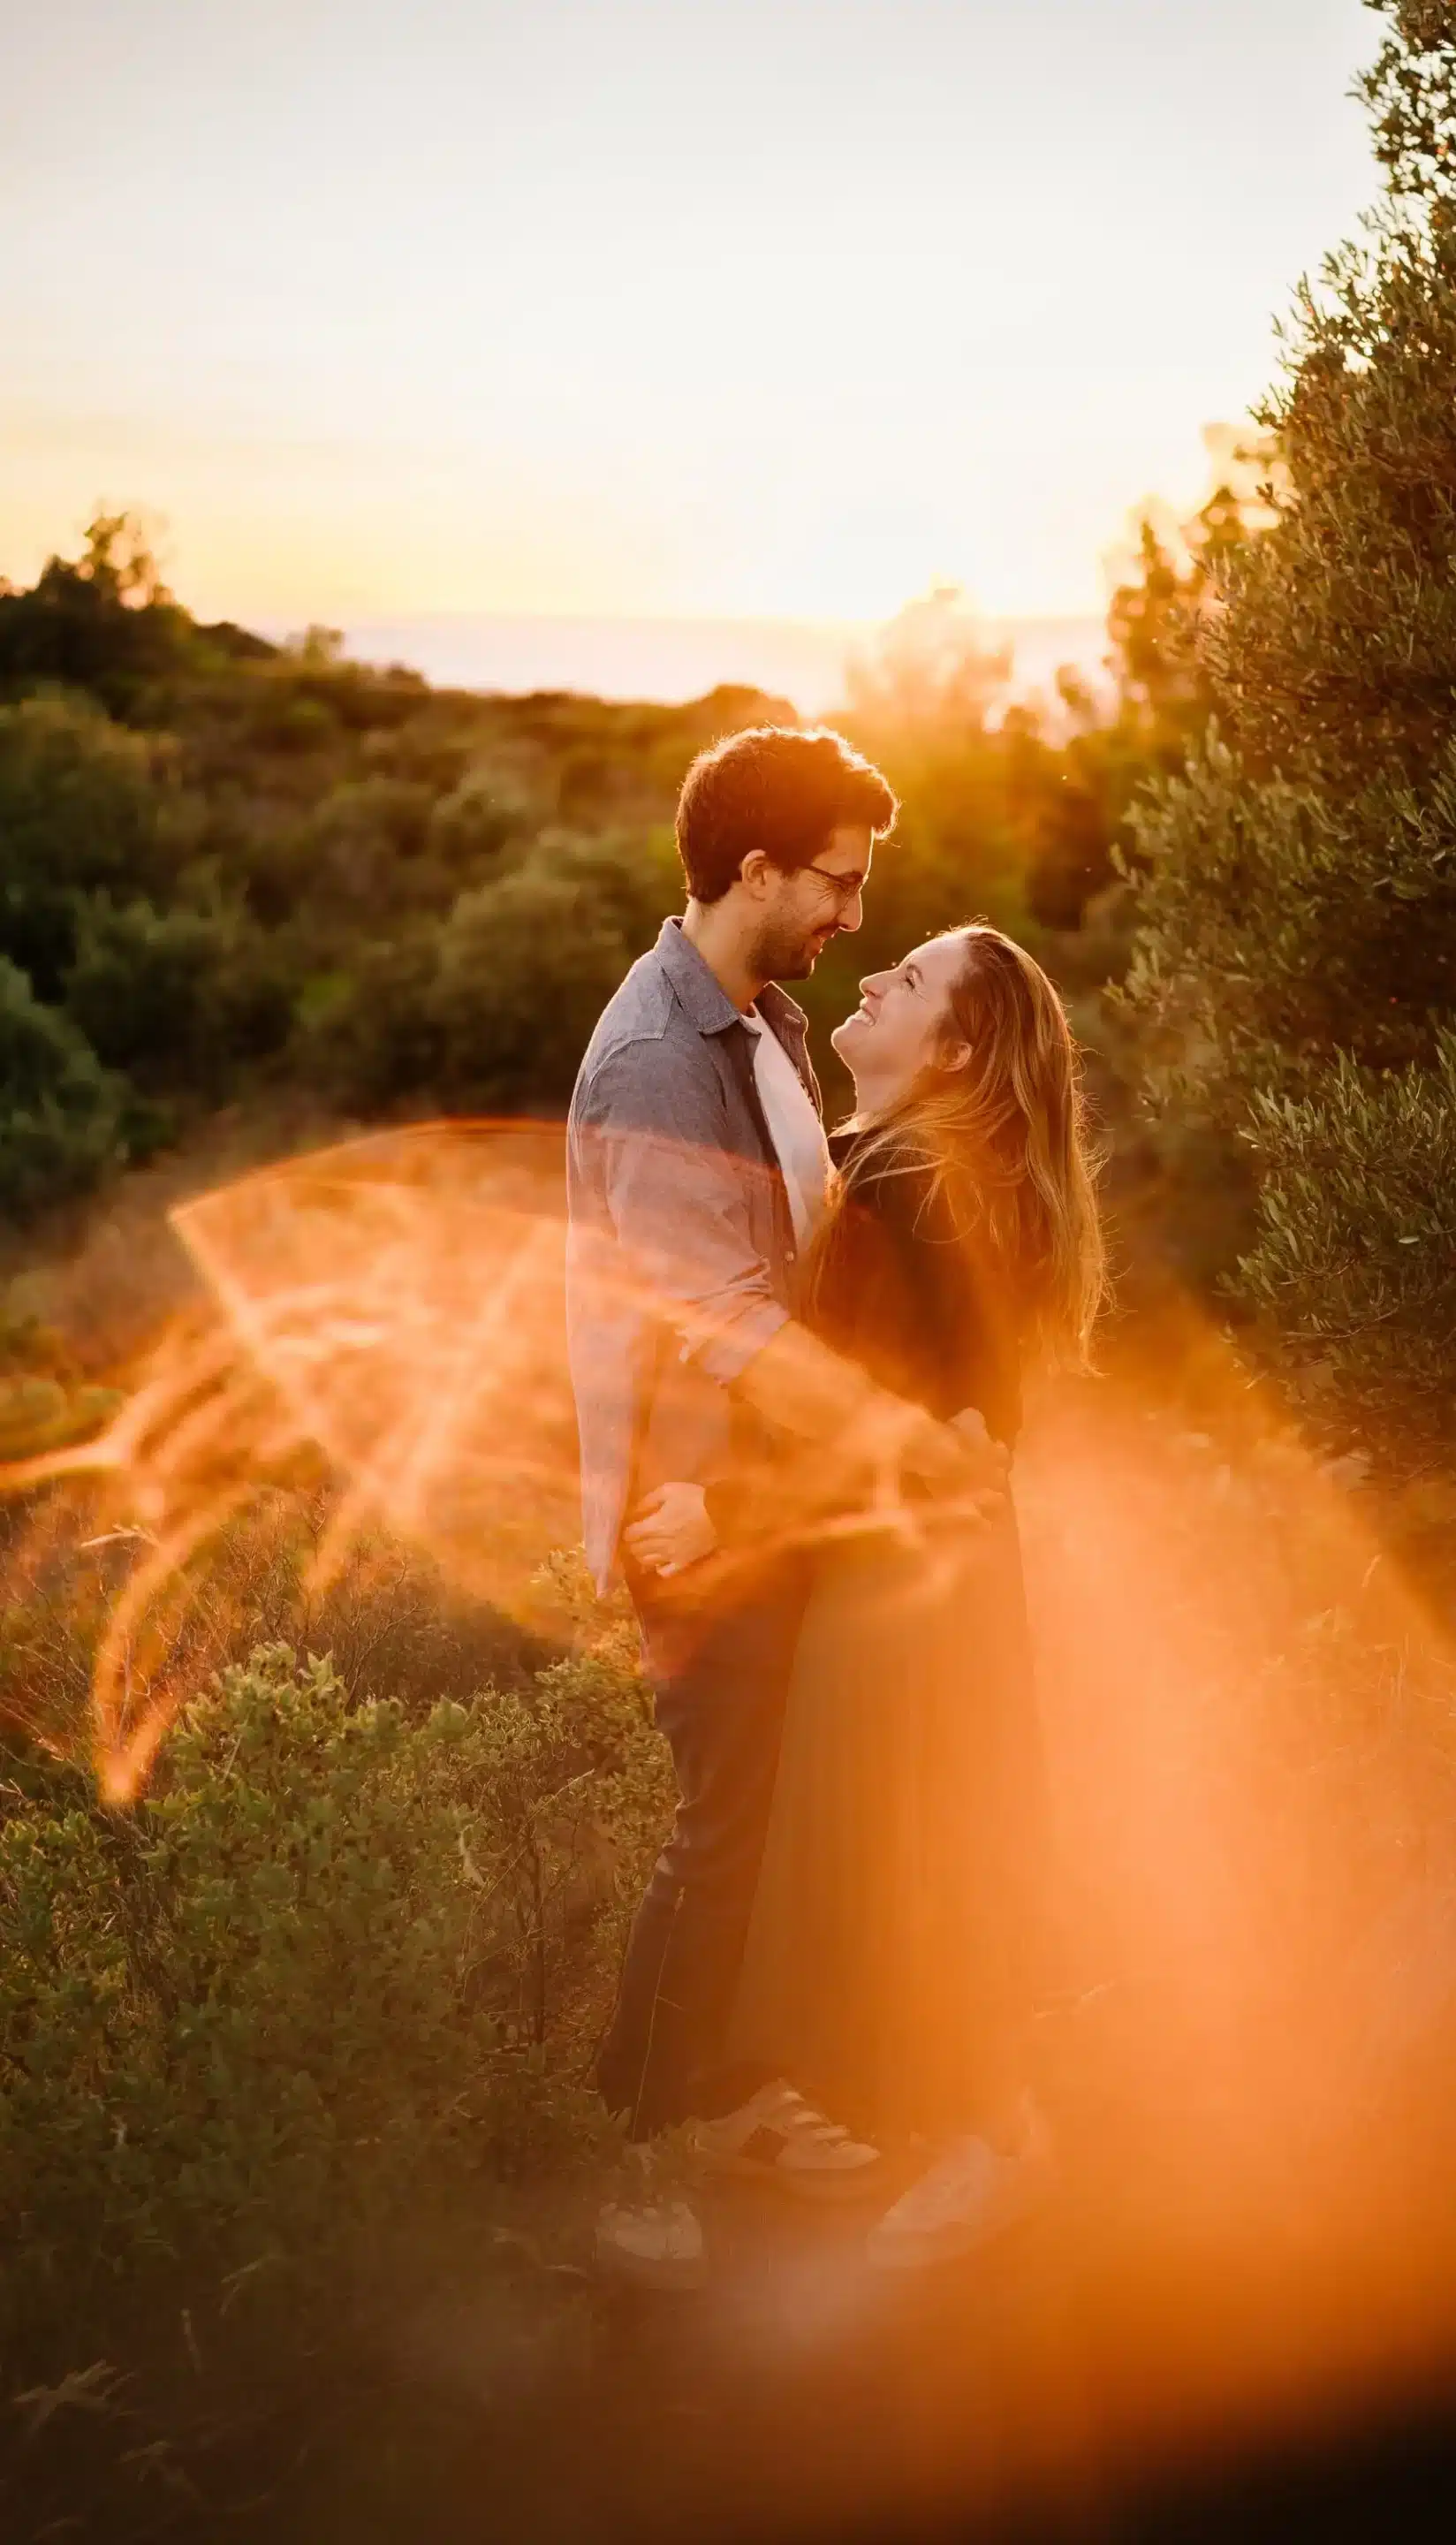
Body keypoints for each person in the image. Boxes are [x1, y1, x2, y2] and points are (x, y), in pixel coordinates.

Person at [565, 724, 987, 2290]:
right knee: (727, 1822)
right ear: (754, 868)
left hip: (763, 1496)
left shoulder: (764, 1022)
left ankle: (745, 2096)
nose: (854, 916)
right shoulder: (661, 1058)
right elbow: (720, 1316)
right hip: (696, 1509)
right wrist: (899, 1443)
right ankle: (645, 2145)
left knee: (776, 1809)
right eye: (837, 880)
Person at [632, 923, 1104, 2270]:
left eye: (912, 981)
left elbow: (875, 1415)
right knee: (917, 1851)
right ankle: (947, 2133)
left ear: (953, 1049)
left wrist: (714, 1507)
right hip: (924, 1555)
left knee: (921, 1856)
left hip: (907, 1570)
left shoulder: (912, 1177)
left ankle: (992, 2150)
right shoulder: (923, 1169)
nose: (876, 979)